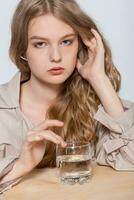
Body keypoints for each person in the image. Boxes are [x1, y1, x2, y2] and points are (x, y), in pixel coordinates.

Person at [0, 0, 134, 194]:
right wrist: (21, 165)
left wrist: (99, 79)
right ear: (22, 50)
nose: (56, 56)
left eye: (66, 42)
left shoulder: (96, 106)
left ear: (81, 43)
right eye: (40, 44)